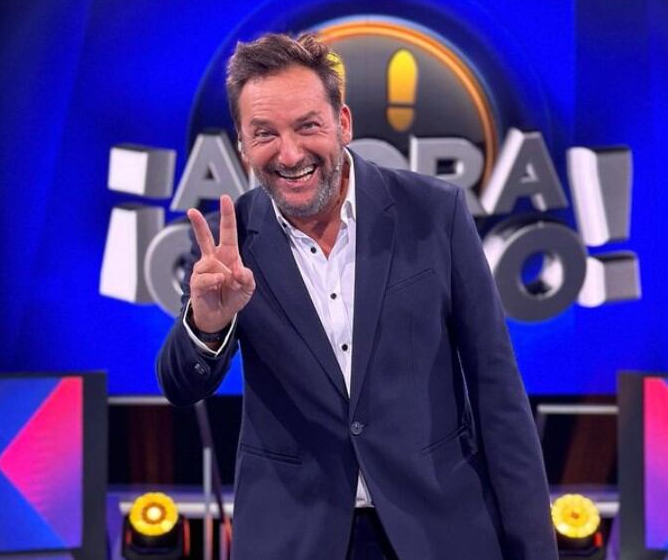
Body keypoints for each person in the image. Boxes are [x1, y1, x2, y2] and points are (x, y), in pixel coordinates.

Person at [157, 33, 557, 560]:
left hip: (436, 530)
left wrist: (534, 550)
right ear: (242, 145)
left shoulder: (434, 214)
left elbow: (497, 393)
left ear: (343, 123)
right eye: (265, 134)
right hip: (294, 539)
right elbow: (180, 386)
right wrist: (207, 324)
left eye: (308, 126)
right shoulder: (226, 242)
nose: (290, 153)